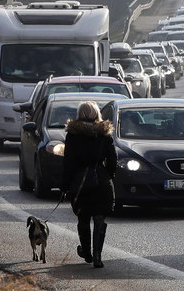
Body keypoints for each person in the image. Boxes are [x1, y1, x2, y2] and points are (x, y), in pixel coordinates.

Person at [61, 100, 117, 268]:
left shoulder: (73, 134)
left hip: (80, 182)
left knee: (83, 217)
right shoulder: (104, 133)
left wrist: (64, 185)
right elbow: (112, 158)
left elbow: (68, 162)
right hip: (101, 180)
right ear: (96, 113)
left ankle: (87, 253)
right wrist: (109, 175)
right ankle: (98, 257)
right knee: (99, 218)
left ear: (79, 114)